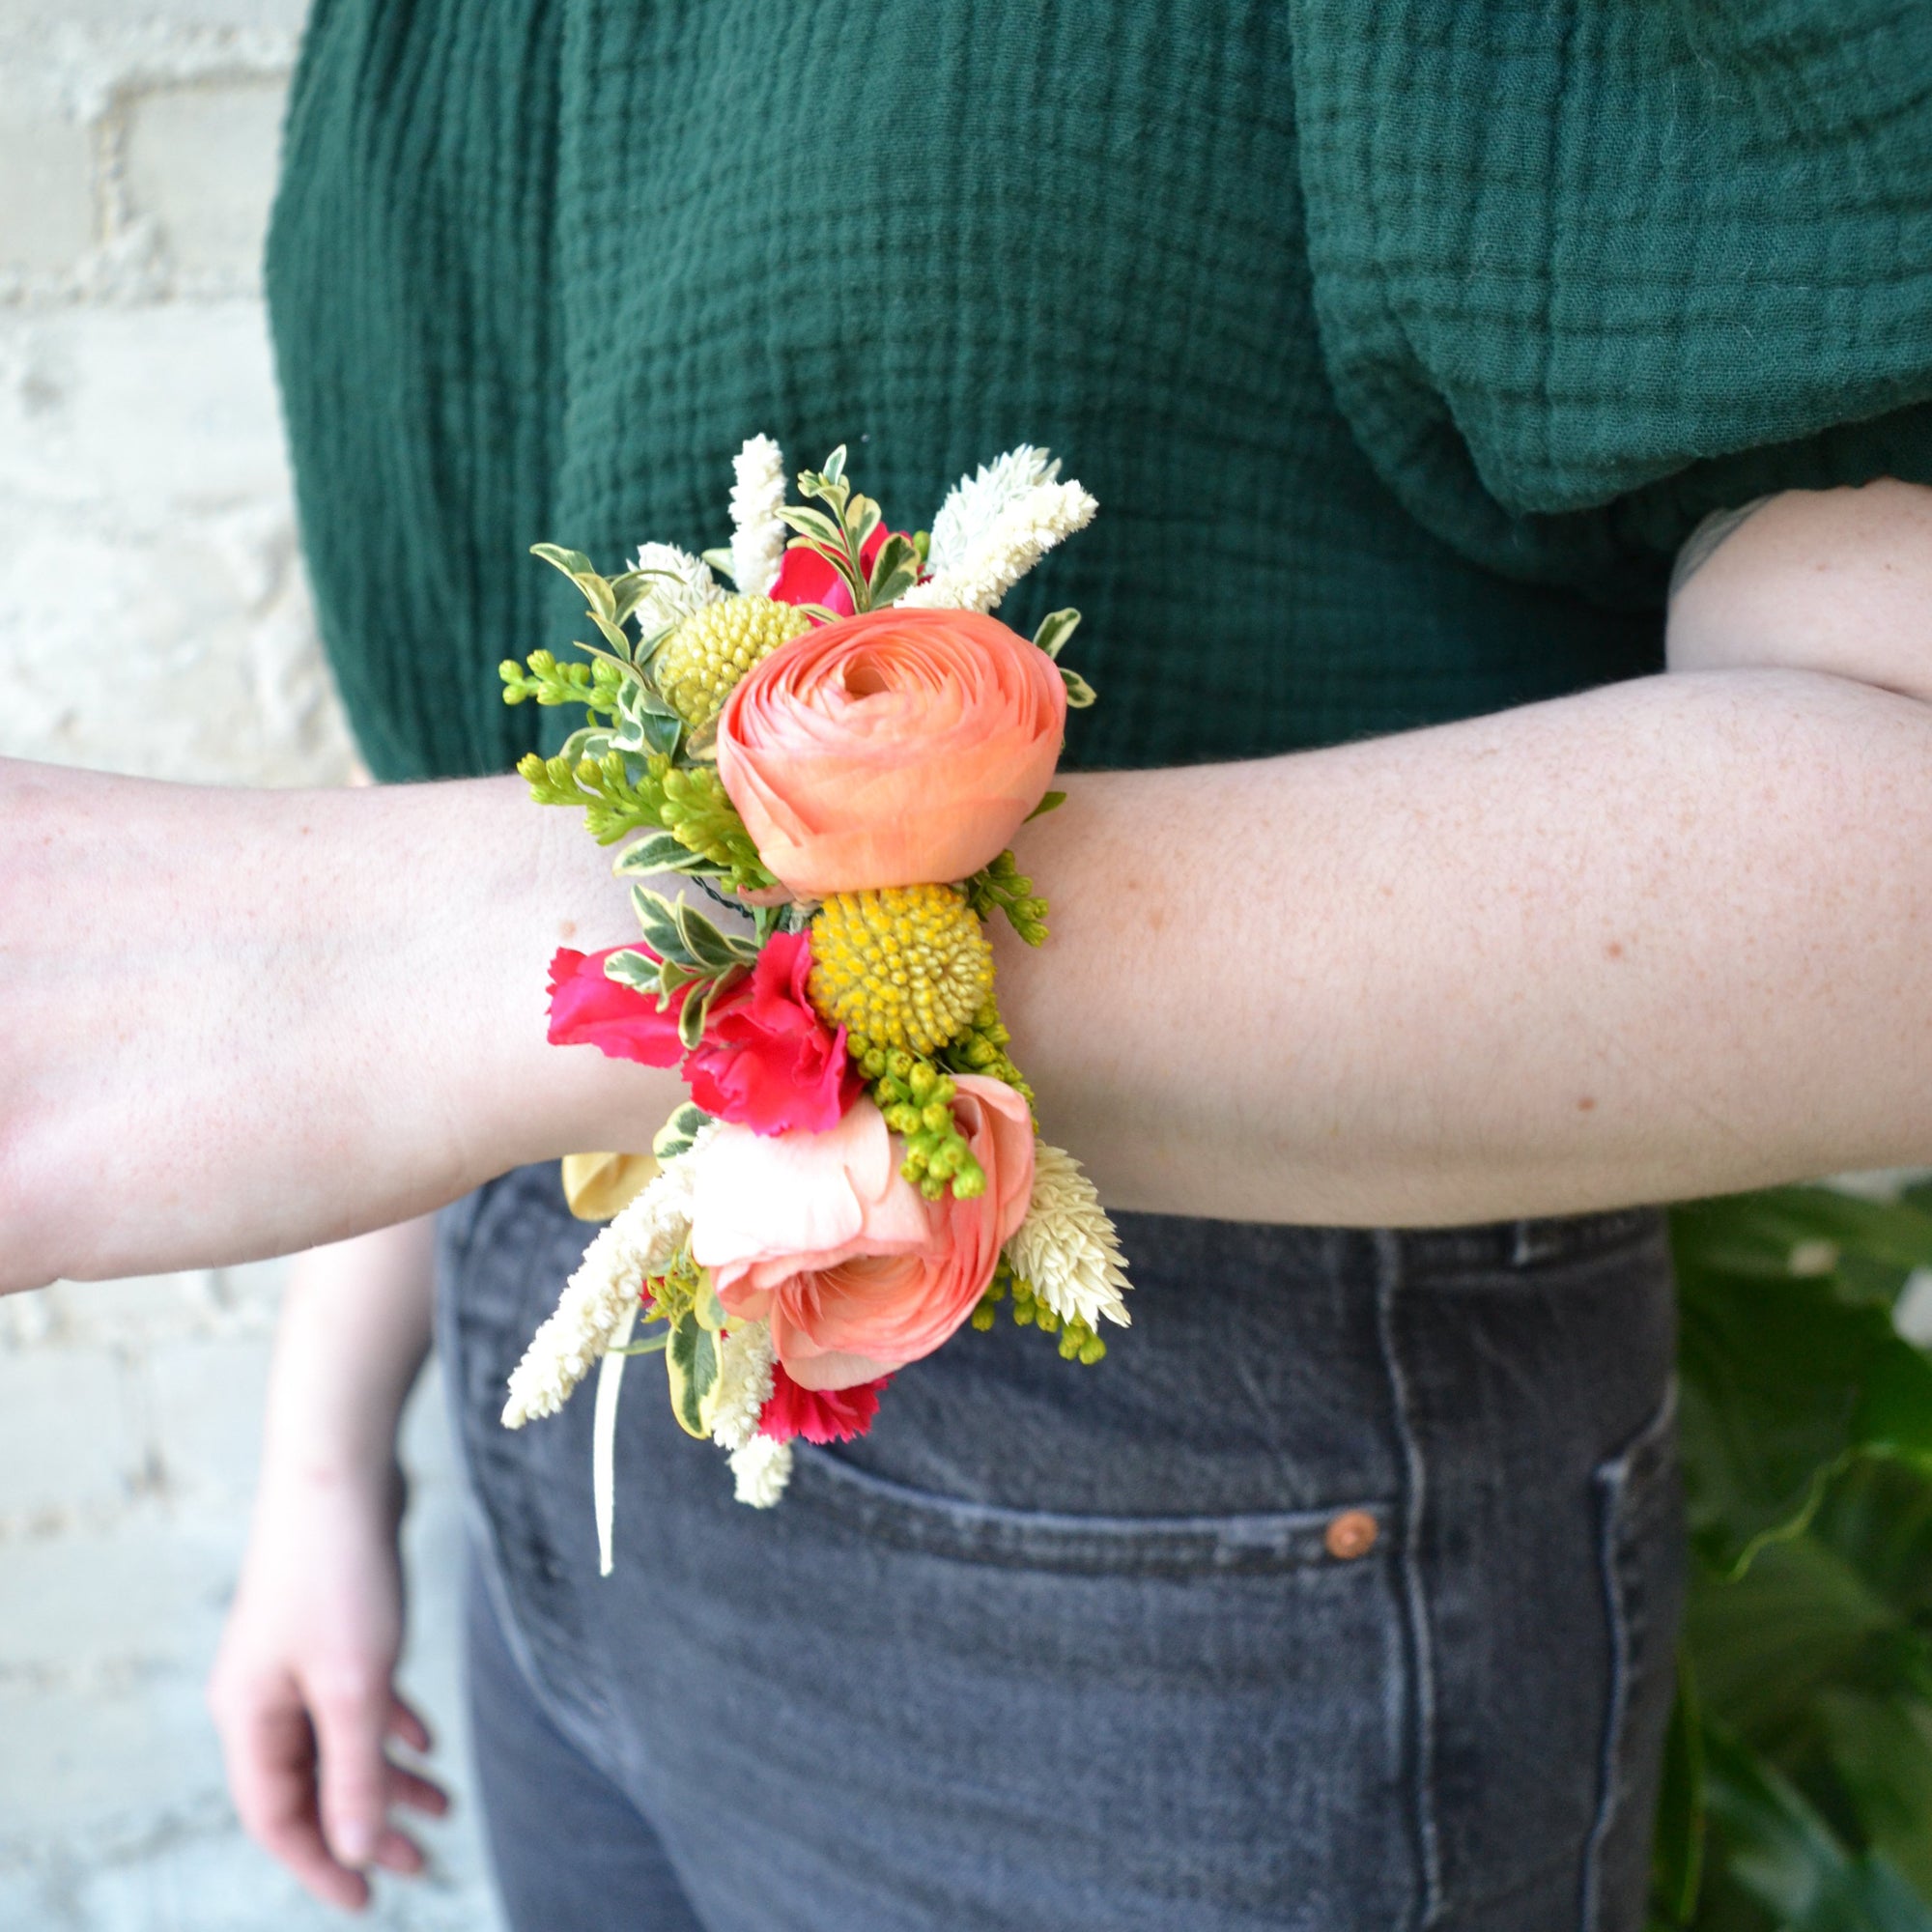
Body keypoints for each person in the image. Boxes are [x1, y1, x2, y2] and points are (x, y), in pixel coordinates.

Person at [6, 5, 1931, 1927]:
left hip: (1155, 1512)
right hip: (561, 1393)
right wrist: (330, 1458)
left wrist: (447, 965)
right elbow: (493, 793)